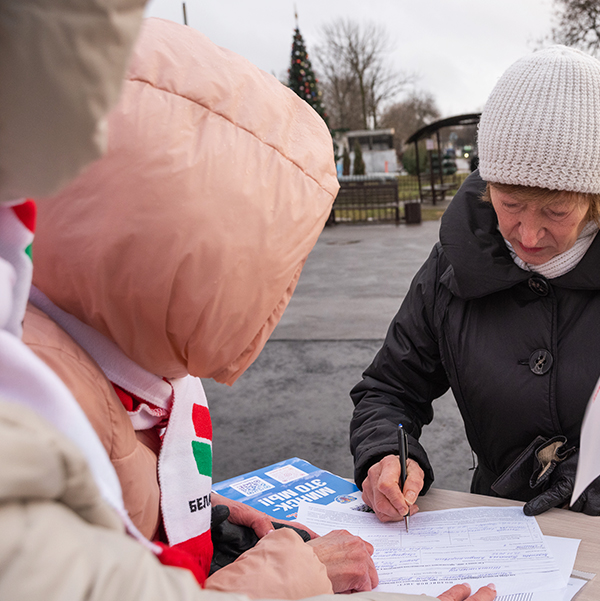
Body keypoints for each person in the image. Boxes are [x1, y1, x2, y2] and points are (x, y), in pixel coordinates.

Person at [0, 6, 493, 600]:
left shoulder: (133, 363)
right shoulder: (40, 407)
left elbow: (123, 529)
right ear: (203, 262)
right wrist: (296, 575)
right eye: (280, 268)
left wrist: (209, 523)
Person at [350, 46, 600, 541]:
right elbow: (389, 390)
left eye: (556, 212)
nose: (527, 234)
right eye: (510, 203)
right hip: (512, 541)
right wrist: (389, 453)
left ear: (597, 197)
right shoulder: (451, 267)